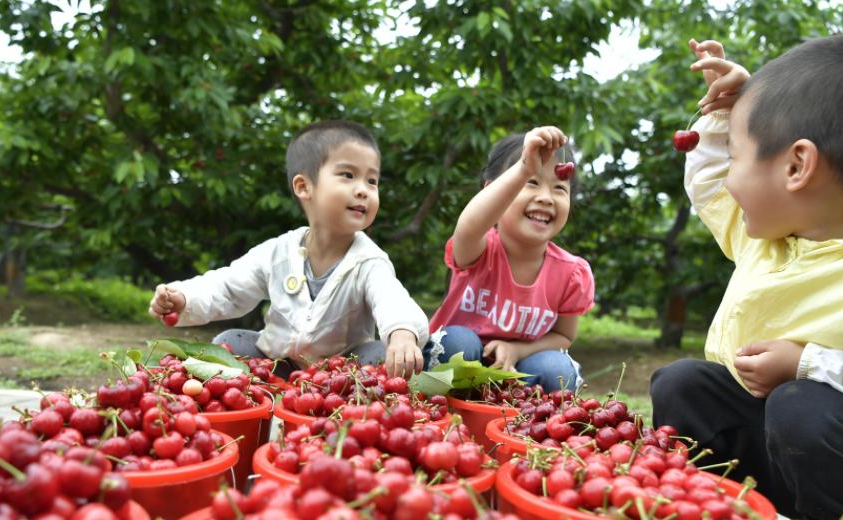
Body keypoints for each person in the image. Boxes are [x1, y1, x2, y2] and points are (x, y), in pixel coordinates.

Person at [650, 36, 843, 520]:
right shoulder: (770, 236)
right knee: (684, 383)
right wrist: (730, 117)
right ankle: (722, 516)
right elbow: (710, 188)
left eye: (738, 159)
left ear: (797, 166)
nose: (729, 177)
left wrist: (812, 365)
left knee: (801, 404)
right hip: (781, 455)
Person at [149, 120, 428, 378]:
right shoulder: (278, 252)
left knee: (379, 355)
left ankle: (346, 405)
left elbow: (392, 299)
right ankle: (259, 399)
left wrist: (402, 332)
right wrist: (184, 297)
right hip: (277, 364)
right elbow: (228, 287)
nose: (363, 190)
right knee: (229, 342)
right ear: (304, 186)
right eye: (348, 175)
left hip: (342, 373)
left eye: (372, 181)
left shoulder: (369, 262)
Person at [423, 126, 594, 391]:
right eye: (531, 182)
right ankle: (443, 420)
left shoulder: (571, 273)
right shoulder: (479, 248)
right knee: (459, 343)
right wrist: (524, 166)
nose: (546, 198)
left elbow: (563, 336)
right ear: (494, 191)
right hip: (452, 374)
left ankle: (524, 428)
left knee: (557, 369)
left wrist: (516, 350)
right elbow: (469, 224)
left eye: (559, 188)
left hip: (516, 377)